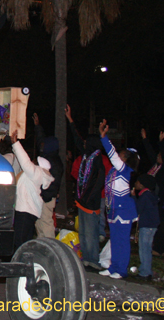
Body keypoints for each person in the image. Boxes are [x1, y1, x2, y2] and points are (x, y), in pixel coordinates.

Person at [98, 120, 139, 279]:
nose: (117, 155)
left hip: (124, 210)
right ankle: (113, 266)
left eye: (121, 154)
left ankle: (121, 269)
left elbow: (112, 154)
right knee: (114, 240)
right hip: (114, 209)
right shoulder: (115, 170)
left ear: (126, 158)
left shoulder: (125, 170)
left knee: (122, 241)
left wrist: (104, 138)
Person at [67, 104, 106, 269]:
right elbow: (77, 139)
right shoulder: (86, 157)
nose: (83, 144)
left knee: (91, 233)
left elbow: (98, 184)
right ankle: (86, 259)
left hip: (90, 203)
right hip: (82, 202)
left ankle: (93, 261)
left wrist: (88, 199)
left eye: (86, 142)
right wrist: (70, 119)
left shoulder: (97, 161)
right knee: (83, 232)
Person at [10, 132, 53, 249]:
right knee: (25, 241)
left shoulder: (36, 173)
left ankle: (20, 264)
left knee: (20, 241)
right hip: (28, 211)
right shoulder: (36, 176)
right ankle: (26, 262)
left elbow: (25, 161)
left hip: (25, 211)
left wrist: (15, 143)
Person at [33, 113, 63, 239]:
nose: (42, 146)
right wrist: (37, 126)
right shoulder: (48, 156)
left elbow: (53, 184)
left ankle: (51, 246)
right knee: (40, 224)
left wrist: (44, 196)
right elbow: (41, 139)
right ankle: (42, 247)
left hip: (47, 197)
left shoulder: (54, 163)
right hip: (43, 197)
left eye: (44, 145)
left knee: (46, 223)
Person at [134, 174, 159, 280]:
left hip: (147, 225)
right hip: (152, 225)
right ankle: (147, 271)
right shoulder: (150, 195)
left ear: (142, 184)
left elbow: (138, 209)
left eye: (137, 182)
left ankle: (144, 272)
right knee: (147, 249)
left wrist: (133, 197)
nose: (135, 184)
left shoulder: (144, 196)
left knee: (144, 249)